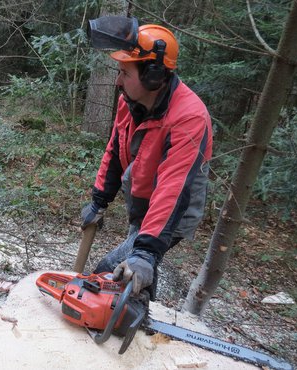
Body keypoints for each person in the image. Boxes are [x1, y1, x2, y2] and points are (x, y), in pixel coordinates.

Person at [81, 16, 213, 299]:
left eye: (125, 74)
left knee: (107, 272)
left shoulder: (189, 117)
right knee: (130, 273)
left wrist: (146, 250)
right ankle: (138, 312)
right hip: (144, 201)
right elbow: (115, 150)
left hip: (174, 210)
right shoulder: (129, 103)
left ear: (153, 76)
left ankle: (130, 311)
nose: (118, 81)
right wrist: (99, 200)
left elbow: (174, 188)